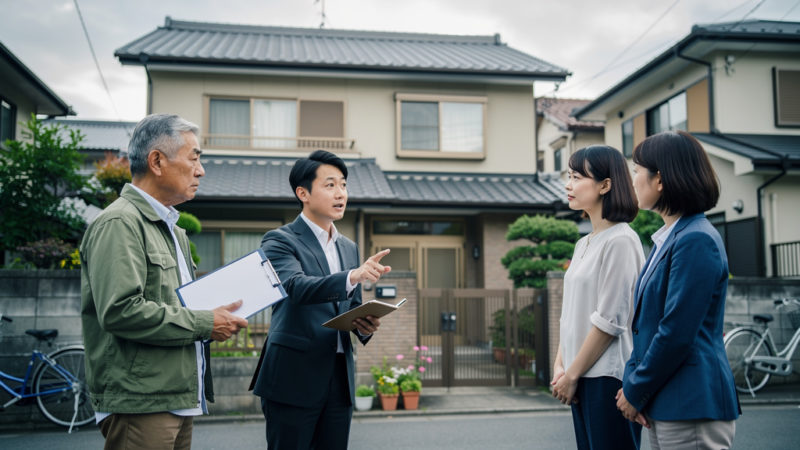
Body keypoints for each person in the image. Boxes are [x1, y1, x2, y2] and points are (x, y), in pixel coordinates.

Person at [80, 113, 249, 450]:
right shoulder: (119, 223)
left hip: (176, 393)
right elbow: (121, 311)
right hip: (141, 400)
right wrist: (205, 322)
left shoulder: (175, 231)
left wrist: (216, 317)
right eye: (194, 158)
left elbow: (176, 308)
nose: (201, 170)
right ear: (156, 161)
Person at [250, 149, 391, 449]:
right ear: (303, 193)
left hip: (339, 381)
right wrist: (352, 276)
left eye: (343, 185)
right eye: (330, 185)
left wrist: (363, 326)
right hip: (293, 378)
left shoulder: (348, 247)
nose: (340, 193)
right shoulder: (279, 240)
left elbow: (349, 308)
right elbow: (296, 287)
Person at [616, 130, 740, 449]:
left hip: (691, 401)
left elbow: (676, 332)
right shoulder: (670, 237)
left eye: (636, 172)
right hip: (665, 400)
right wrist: (635, 385)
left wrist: (634, 390)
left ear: (660, 180)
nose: (633, 181)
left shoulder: (695, 239)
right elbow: (646, 325)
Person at [550, 145, 645, 450]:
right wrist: (560, 367)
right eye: (569, 176)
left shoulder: (621, 240)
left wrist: (572, 373)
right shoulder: (583, 244)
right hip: (579, 375)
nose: (569, 185)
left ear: (605, 185)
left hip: (607, 377)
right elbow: (571, 313)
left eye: (577, 177)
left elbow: (610, 320)